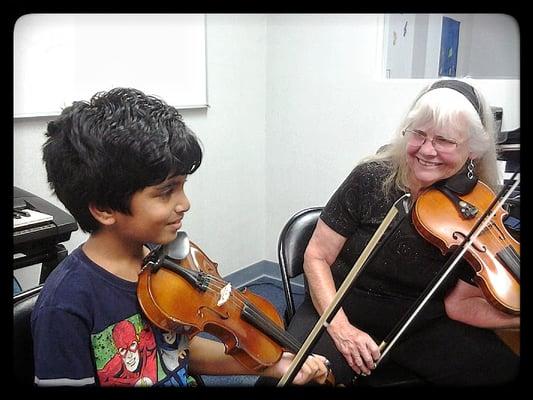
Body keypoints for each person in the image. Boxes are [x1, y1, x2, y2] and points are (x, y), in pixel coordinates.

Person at [31, 87, 330, 387]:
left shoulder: (165, 261)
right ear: (105, 209)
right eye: (166, 192)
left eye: (182, 185)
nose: (184, 203)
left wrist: (270, 366)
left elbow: (180, 353)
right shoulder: (65, 306)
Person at [282, 78, 520, 386]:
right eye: (418, 134)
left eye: (445, 141)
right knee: (293, 379)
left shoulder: (478, 206)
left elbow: (459, 304)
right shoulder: (370, 178)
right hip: (339, 308)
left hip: (420, 324)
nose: (427, 150)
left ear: (472, 151)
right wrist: (341, 328)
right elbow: (316, 257)